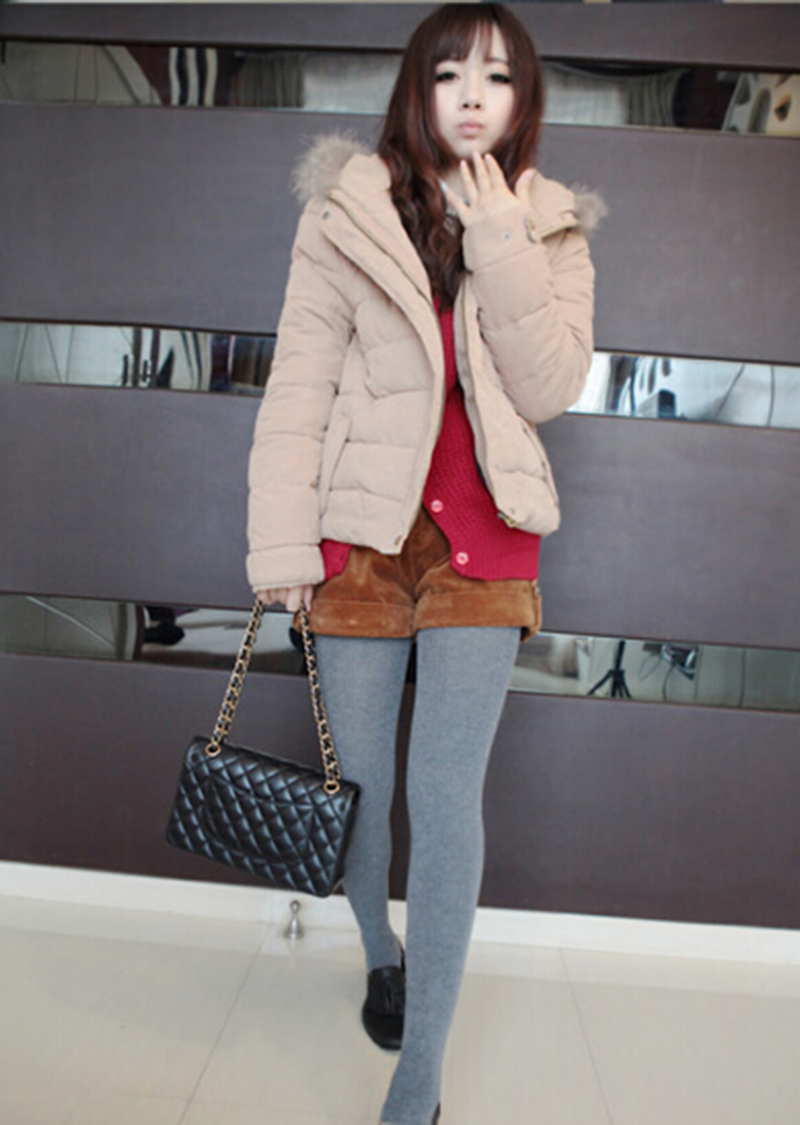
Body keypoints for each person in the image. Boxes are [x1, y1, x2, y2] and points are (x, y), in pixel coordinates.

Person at [246, 6, 600, 1123]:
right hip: (359, 544)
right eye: (448, 73)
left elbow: (549, 388)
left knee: (444, 798)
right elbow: (299, 381)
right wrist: (281, 542)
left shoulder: (550, 225)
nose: (470, 95)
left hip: (484, 545)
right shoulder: (343, 211)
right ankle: (377, 951)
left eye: (495, 76)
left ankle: (421, 1078)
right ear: (417, 89)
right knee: (358, 794)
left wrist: (500, 240)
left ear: (522, 97)